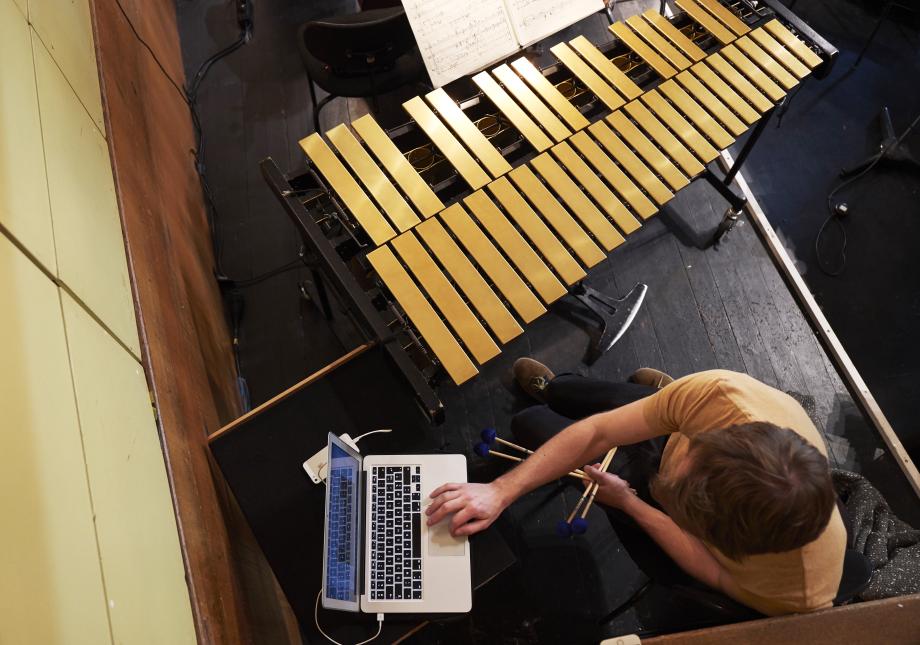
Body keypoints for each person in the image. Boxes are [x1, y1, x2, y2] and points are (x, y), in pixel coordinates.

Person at [426, 359, 846, 616]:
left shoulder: (796, 594)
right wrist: (500, 490)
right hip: (686, 417)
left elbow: (713, 570)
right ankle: (598, 391)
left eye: (675, 496)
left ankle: (650, 404)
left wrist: (632, 503)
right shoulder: (721, 394)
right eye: (688, 460)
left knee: (529, 424)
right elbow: (600, 434)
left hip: (664, 509)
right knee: (575, 396)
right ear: (718, 436)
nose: (663, 483)